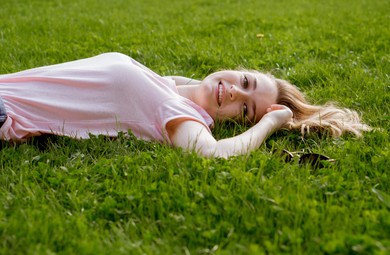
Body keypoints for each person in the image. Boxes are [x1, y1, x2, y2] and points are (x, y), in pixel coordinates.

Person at [0, 52, 370, 158]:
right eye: (245, 82)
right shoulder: (170, 89)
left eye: (244, 110)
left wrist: (270, 123)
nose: (235, 94)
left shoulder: (180, 115)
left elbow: (212, 154)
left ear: (236, 123)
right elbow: (190, 86)